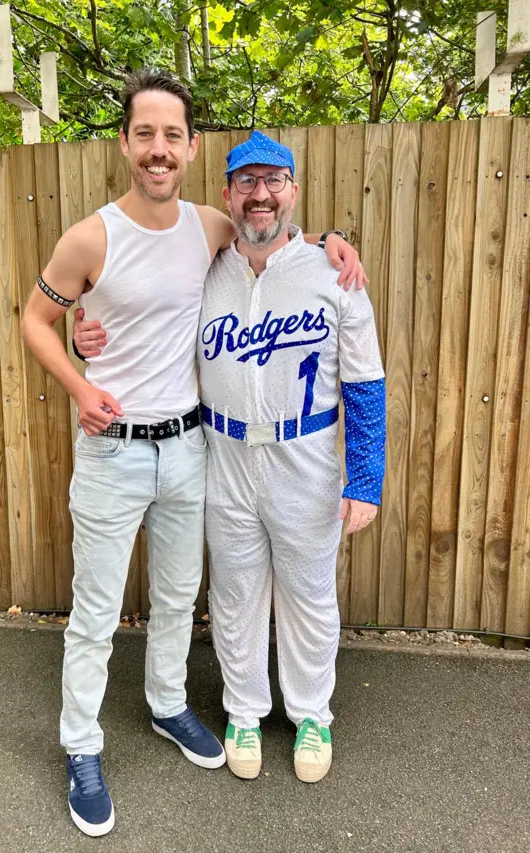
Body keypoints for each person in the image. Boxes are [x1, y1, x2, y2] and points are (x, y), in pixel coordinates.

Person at [22, 68, 364, 837]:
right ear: (124, 142)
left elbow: (279, 238)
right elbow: (36, 320)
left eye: (172, 135)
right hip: (112, 452)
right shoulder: (90, 235)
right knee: (97, 612)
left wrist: (337, 243)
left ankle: (168, 702)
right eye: (144, 133)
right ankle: (81, 744)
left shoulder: (210, 225)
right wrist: (79, 384)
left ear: (190, 146)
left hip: (188, 448)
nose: (158, 149)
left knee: (179, 597)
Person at [75, 132, 385, 786]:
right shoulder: (207, 267)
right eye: (247, 182)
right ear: (227, 194)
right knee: (237, 592)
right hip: (225, 454)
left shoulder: (335, 272)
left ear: (293, 190)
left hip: (304, 454)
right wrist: (85, 331)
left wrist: (365, 476)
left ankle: (310, 713)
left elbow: (365, 382)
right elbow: (141, 320)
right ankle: (244, 709)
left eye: (274, 180)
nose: (261, 193)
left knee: (309, 594)